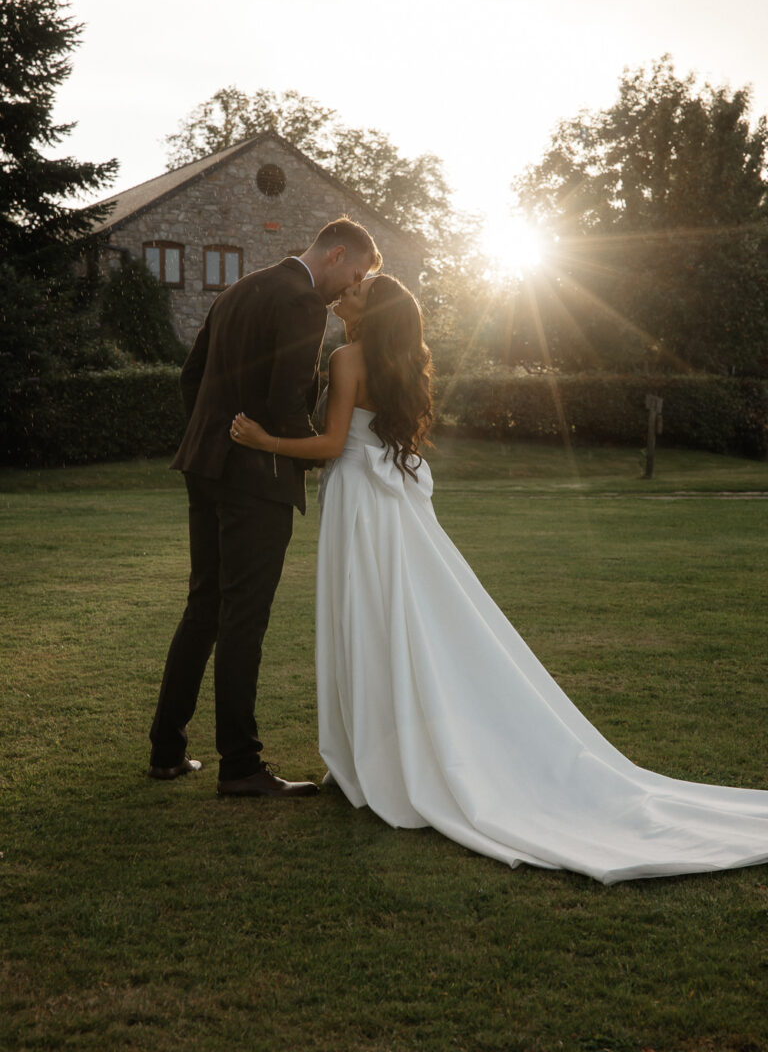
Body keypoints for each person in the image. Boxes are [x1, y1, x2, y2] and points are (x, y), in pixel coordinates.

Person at [229, 275, 768, 883]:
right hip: (389, 503)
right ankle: (371, 756)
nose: (346, 293)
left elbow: (331, 444)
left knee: (365, 619)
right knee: (391, 619)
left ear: (370, 312)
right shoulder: (396, 363)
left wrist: (264, 439)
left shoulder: (346, 357)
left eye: (359, 290)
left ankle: (371, 761)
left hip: (359, 500)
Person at [148, 217, 381, 797]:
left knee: (203, 605)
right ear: (336, 254)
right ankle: (240, 766)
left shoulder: (240, 287)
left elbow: (191, 376)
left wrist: (210, 438)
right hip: (256, 478)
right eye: (354, 275)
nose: (346, 290)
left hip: (204, 468)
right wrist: (314, 453)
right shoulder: (303, 302)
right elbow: (283, 402)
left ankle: (167, 750)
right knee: (242, 618)